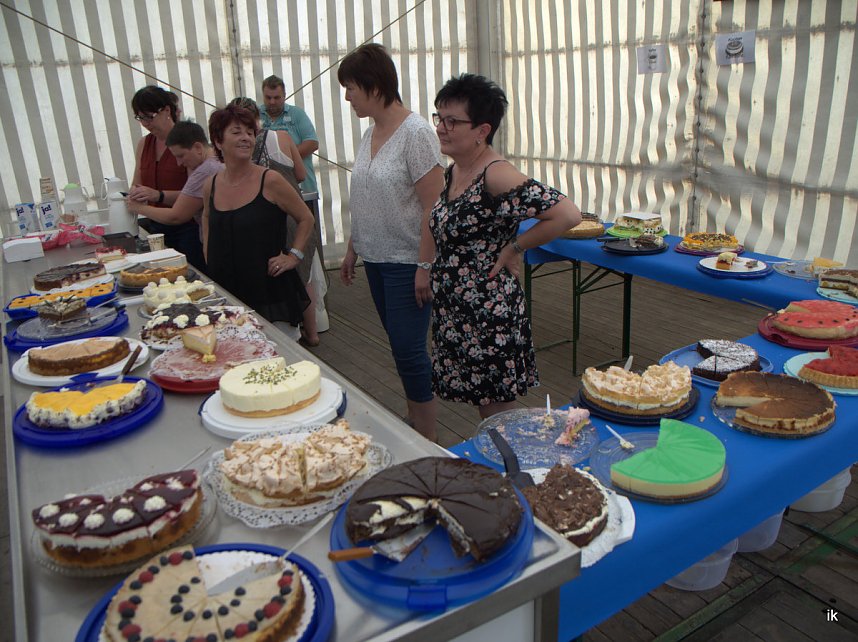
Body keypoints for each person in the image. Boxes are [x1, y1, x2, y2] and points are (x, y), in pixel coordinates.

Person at [429, 74, 581, 419]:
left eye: (452, 121)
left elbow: (567, 214)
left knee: (498, 415)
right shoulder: (454, 171)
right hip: (457, 310)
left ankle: (506, 457)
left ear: (482, 130)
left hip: (488, 311)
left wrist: (516, 247)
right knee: (484, 409)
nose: (441, 128)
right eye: (439, 117)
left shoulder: (495, 174)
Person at [337, 44, 445, 441]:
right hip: (376, 258)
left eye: (350, 88)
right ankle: (415, 416)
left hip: (406, 260)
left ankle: (428, 437)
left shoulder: (416, 134)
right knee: (399, 346)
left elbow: (434, 206)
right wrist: (353, 247)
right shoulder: (370, 132)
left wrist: (425, 266)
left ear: (374, 85)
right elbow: (366, 195)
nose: (347, 97)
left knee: (409, 349)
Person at [202, 104, 315, 330]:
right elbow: (207, 219)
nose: (246, 138)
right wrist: (208, 255)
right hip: (228, 289)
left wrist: (294, 256)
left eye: (250, 132)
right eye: (236, 132)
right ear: (218, 141)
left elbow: (306, 218)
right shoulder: (211, 184)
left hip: (269, 290)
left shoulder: (270, 180)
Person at [230, 96, 320, 346]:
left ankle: (282, 334)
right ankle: (312, 333)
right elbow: (300, 174)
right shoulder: (282, 137)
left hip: (270, 221)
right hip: (294, 215)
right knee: (304, 276)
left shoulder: (237, 149)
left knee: (281, 276)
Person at [127, 86, 205, 269]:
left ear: (167, 111)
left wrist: (157, 195)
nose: (146, 123)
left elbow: (196, 193)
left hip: (188, 228)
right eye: (140, 118)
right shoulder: (144, 143)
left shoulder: (186, 141)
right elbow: (136, 183)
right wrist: (136, 193)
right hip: (157, 227)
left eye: (150, 117)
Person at [126, 121, 222, 268]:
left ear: (198, 147)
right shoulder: (217, 161)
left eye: (181, 156)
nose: (179, 163)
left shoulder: (205, 171)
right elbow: (190, 199)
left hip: (216, 247)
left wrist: (138, 208)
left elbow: (176, 216)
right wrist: (157, 195)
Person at [259, 75, 319, 194]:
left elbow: (312, 143)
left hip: (303, 190)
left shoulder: (297, 114)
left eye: (277, 98)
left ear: (284, 96)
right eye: (268, 97)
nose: (272, 102)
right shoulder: (255, 115)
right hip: (269, 193)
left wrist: (282, 158)